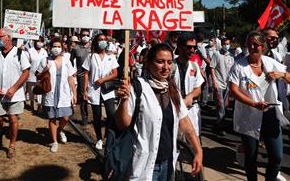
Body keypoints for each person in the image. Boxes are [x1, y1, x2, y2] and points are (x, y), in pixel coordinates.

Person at [116, 43, 203, 180]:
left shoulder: (172, 90)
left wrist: (198, 151)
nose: (166, 67)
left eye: (169, 62)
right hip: (143, 164)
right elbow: (123, 124)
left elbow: (185, 123)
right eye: (160, 62)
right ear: (149, 64)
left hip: (168, 163)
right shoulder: (137, 88)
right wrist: (124, 101)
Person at [229, 31, 290, 181]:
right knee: (251, 157)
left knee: (276, 156)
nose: (252, 47)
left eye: (256, 44)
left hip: (270, 114)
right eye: (249, 43)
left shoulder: (270, 62)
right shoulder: (239, 66)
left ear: (263, 47)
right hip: (248, 116)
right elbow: (233, 91)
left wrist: (281, 75)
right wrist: (253, 103)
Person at [0, 28, 30, 158]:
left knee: (13, 118)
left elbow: (26, 72)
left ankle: (12, 145)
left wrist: (14, 88)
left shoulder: (20, 53)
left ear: (9, 38)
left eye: (0, 37)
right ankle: (0, 131)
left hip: (14, 94)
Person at [37, 38, 77, 152]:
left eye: (59, 46)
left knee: (65, 117)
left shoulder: (66, 61)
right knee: (52, 118)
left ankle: (59, 130)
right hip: (50, 93)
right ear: (50, 48)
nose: (56, 49)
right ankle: (54, 141)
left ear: (62, 48)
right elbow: (38, 77)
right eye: (54, 46)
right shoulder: (45, 60)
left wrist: (74, 94)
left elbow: (70, 78)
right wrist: (45, 70)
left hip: (64, 94)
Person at [82, 33, 119, 150]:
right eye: (100, 40)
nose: (102, 41)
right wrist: (85, 90)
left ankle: (108, 136)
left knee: (111, 114)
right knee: (97, 116)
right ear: (96, 42)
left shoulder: (111, 56)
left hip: (107, 89)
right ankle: (99, 138)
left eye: (104, 40)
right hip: (94, 89)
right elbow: (86, 74)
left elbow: (115, 73)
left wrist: (103, 79)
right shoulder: (91, 56)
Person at [172, 32, 204, 137]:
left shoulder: (194, 66)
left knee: (192, 144)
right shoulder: (171, 66)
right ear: (180, 46)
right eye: (189, 47)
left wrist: (190, 96)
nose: (192, 50)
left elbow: (198, 89)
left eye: (194, 47)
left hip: (191, 111)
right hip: (174, 110)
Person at [210, 37, 234, 135]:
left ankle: (217, 125)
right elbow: (212, 68)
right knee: (220, 106)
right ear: (222, 44)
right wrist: (214, 82)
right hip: (219, 83)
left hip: (227, 85)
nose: (226, 46)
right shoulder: (217, 54)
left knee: (226, 106)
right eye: (225, 43)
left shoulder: (232, 56)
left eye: (228, 44)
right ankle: (220, 127)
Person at [70, 29, 91, 126]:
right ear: (80, 36)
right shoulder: (75, 48)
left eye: (87, 35)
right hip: (82, 76)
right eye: (83, 35)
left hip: (93, 76)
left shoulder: (93, 47)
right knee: (83, 97)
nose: (85, 37)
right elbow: (70, 61)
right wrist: (73, 71)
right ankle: (84, 116)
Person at [25, 36, 48, 113]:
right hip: (31, 74)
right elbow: (26, 62)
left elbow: (46, 63)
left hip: (41, 75)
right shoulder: (29, 51)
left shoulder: (44, 51)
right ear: (34, 41)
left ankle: (39, 106)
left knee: (40, 91)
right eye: (38, 41)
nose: (40, 43)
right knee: (31, 91)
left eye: (41, 41)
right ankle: (31, 104)